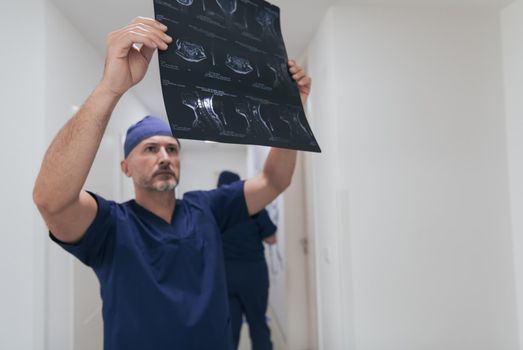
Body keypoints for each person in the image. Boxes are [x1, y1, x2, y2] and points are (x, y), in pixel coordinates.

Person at [33, 17, 311, 350]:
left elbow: (274, 180)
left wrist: (292, 113)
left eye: (172, 149)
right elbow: (52, 200)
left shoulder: (206, 208)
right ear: (125, 166)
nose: (164, 156)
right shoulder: (111, 226)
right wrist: (111, 87)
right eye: (150, 149)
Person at [217, 171, 277, 350]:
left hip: (225, 275)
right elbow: (271, 239)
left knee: (230, 328)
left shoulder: (215, 210)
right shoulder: (255, 207)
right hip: (253, 275)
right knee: (258, 325)